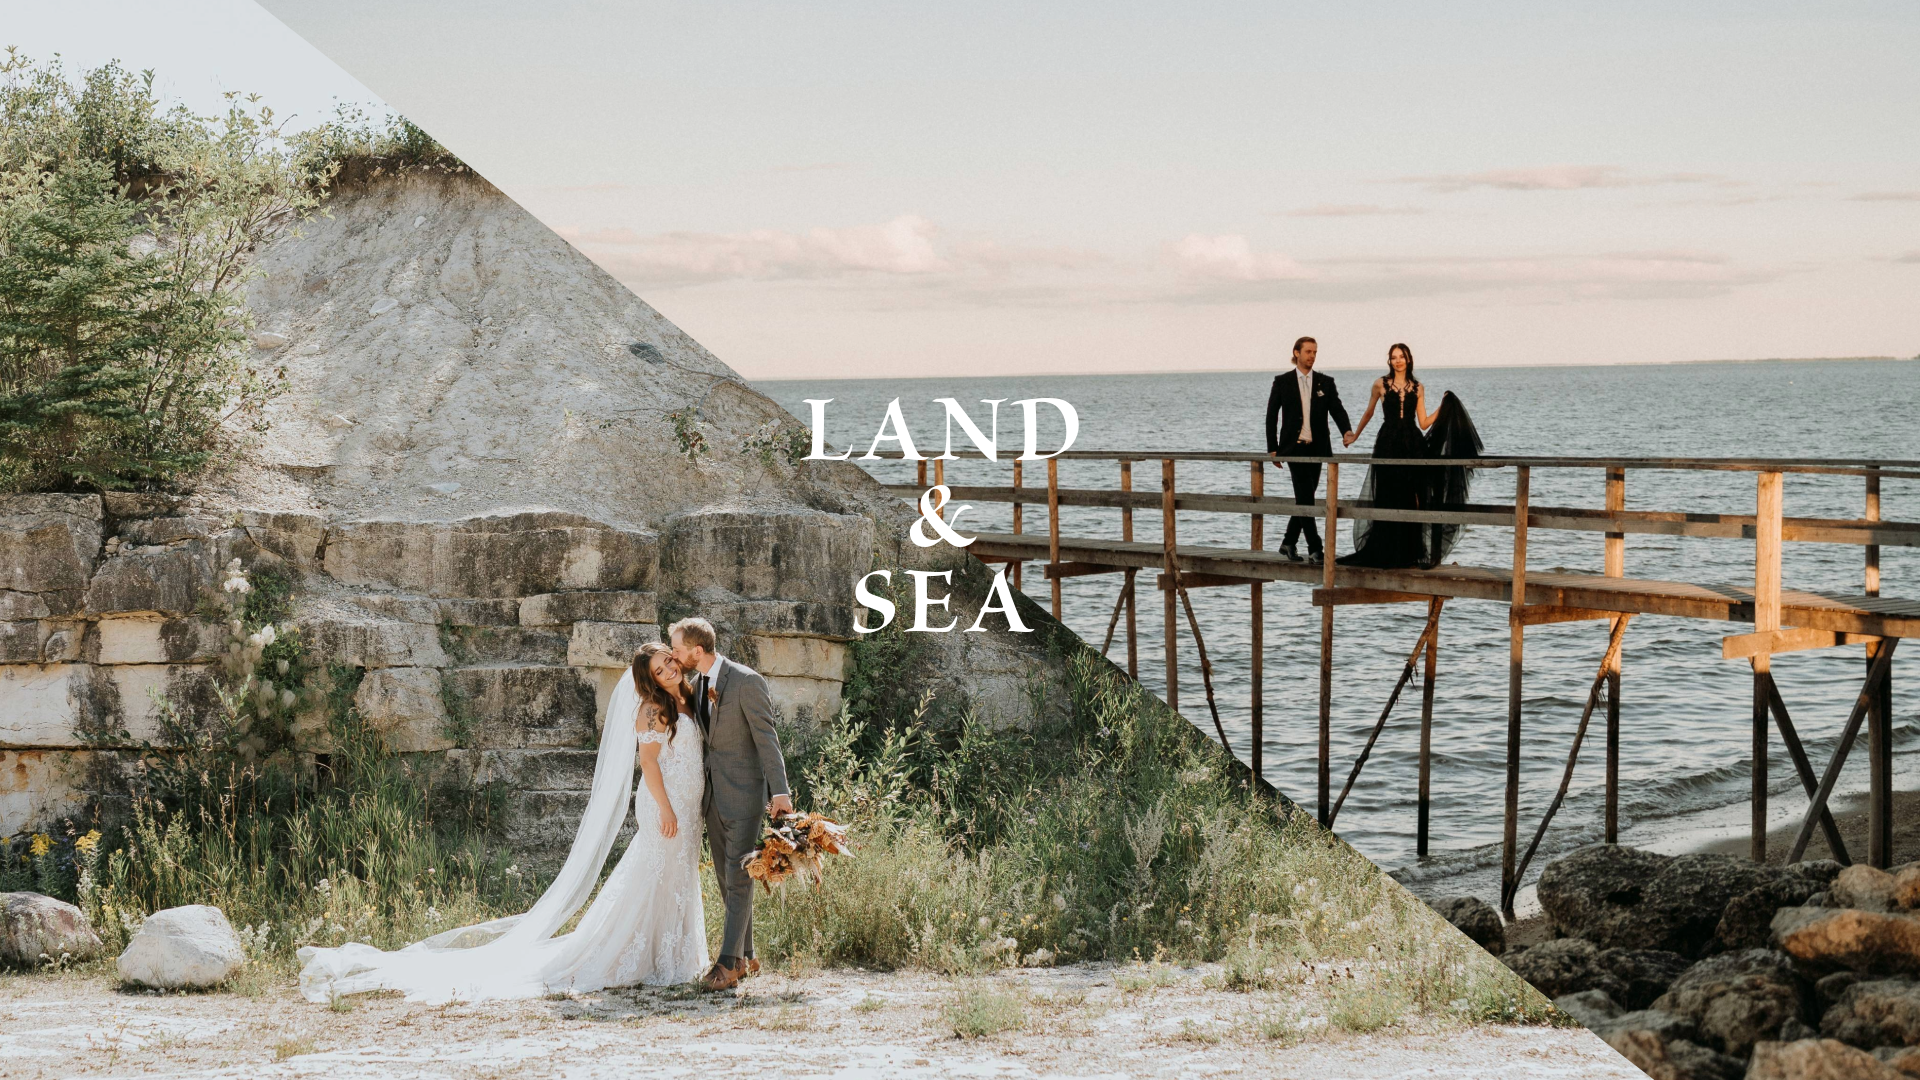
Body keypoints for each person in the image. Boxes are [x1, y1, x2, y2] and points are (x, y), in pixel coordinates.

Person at [295, 642, 711, 1002]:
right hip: (665, 808)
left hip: (689, 809)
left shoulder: (687, 697)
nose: (669, 670)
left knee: (675, 878)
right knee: (654, 876)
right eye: (660, 669)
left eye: (669, 662)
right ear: (649, 679)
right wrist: (668, 810)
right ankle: (647, 957)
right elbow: (649, 764)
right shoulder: (653, 709)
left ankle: (675, 955)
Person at [669, 616, 791, 993]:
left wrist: (781, 794)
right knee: (726, 878)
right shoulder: (695, 684)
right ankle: (748, 956)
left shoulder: (746, 681)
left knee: (738, 879)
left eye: (676, 649)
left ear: (696, 650)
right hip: (711, 798)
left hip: (744, 797)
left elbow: (767, 740)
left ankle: (726, 964)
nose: (674, 655)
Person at [1337, 343, 1483, 569]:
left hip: (1412, 443)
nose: (1398, 361)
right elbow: (1369, 412)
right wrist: (1355, 435)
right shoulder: (1380, 384)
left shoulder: (1418, 387)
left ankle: (1407, 553)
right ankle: (1385, 551)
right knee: (1387, 493)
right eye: (1394, 357)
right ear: (1389, 361)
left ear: (1408, 359)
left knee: (1411, 495)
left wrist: (1444, 406)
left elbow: (1423, 422)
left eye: (1401, 357)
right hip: (1387, 442)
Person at [1265, 336, 1355, 564]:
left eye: (1315, 352)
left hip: (1318, 448)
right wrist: (1272, 449)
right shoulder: (1282, 381)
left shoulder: (1325, 382)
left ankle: (1288, 542)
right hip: (1293, 449)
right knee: (1306, 498)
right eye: (1308, 352)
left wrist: (1346, 430)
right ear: (1296, 353)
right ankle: (1316, 549)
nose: (1312, 356)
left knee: (1305, 498)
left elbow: (1337, 408)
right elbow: (1271, 416)